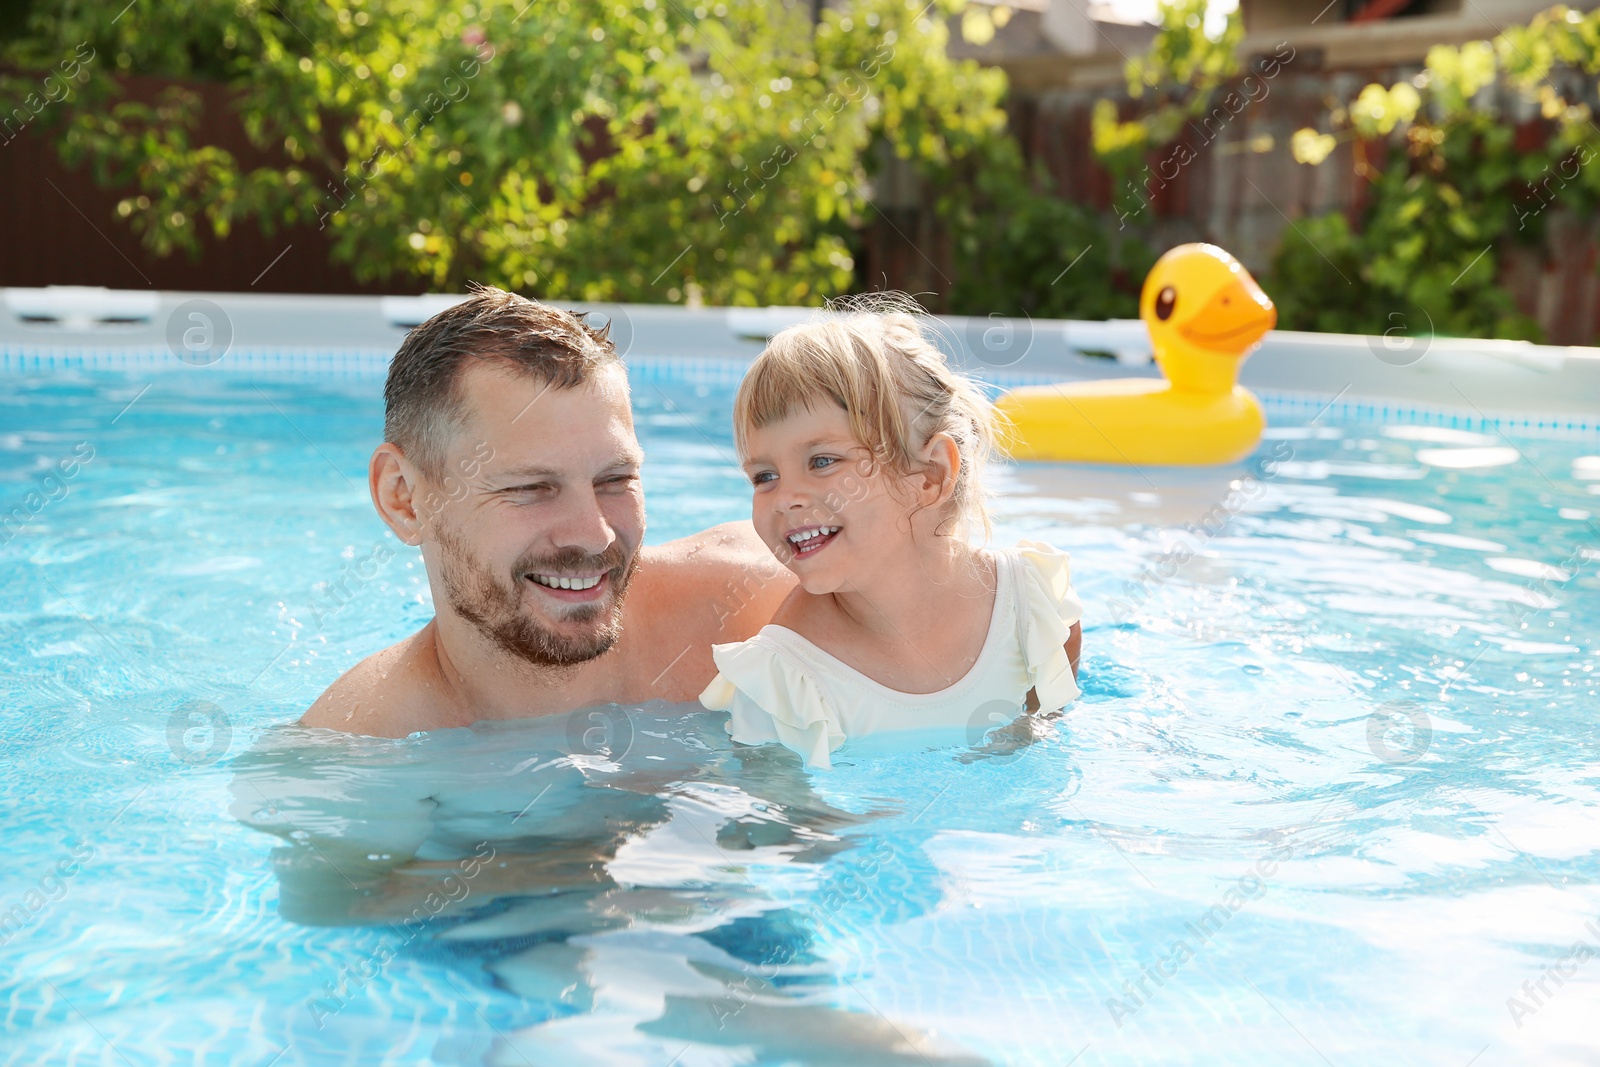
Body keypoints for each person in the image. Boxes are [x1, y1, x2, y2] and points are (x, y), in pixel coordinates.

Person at [301, 285, 793, 737]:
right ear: (403, 499)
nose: (594, 536)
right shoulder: (358, 754)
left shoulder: (757, 606)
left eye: (614, 481)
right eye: (531, 487)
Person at [700, 301, 1084, 768]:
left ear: (929, 476)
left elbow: (1046, 745)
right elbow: (786, 824)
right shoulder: (788, 682)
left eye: (822, 461)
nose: (785, 499)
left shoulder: (1029, 609)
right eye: (764, 476)